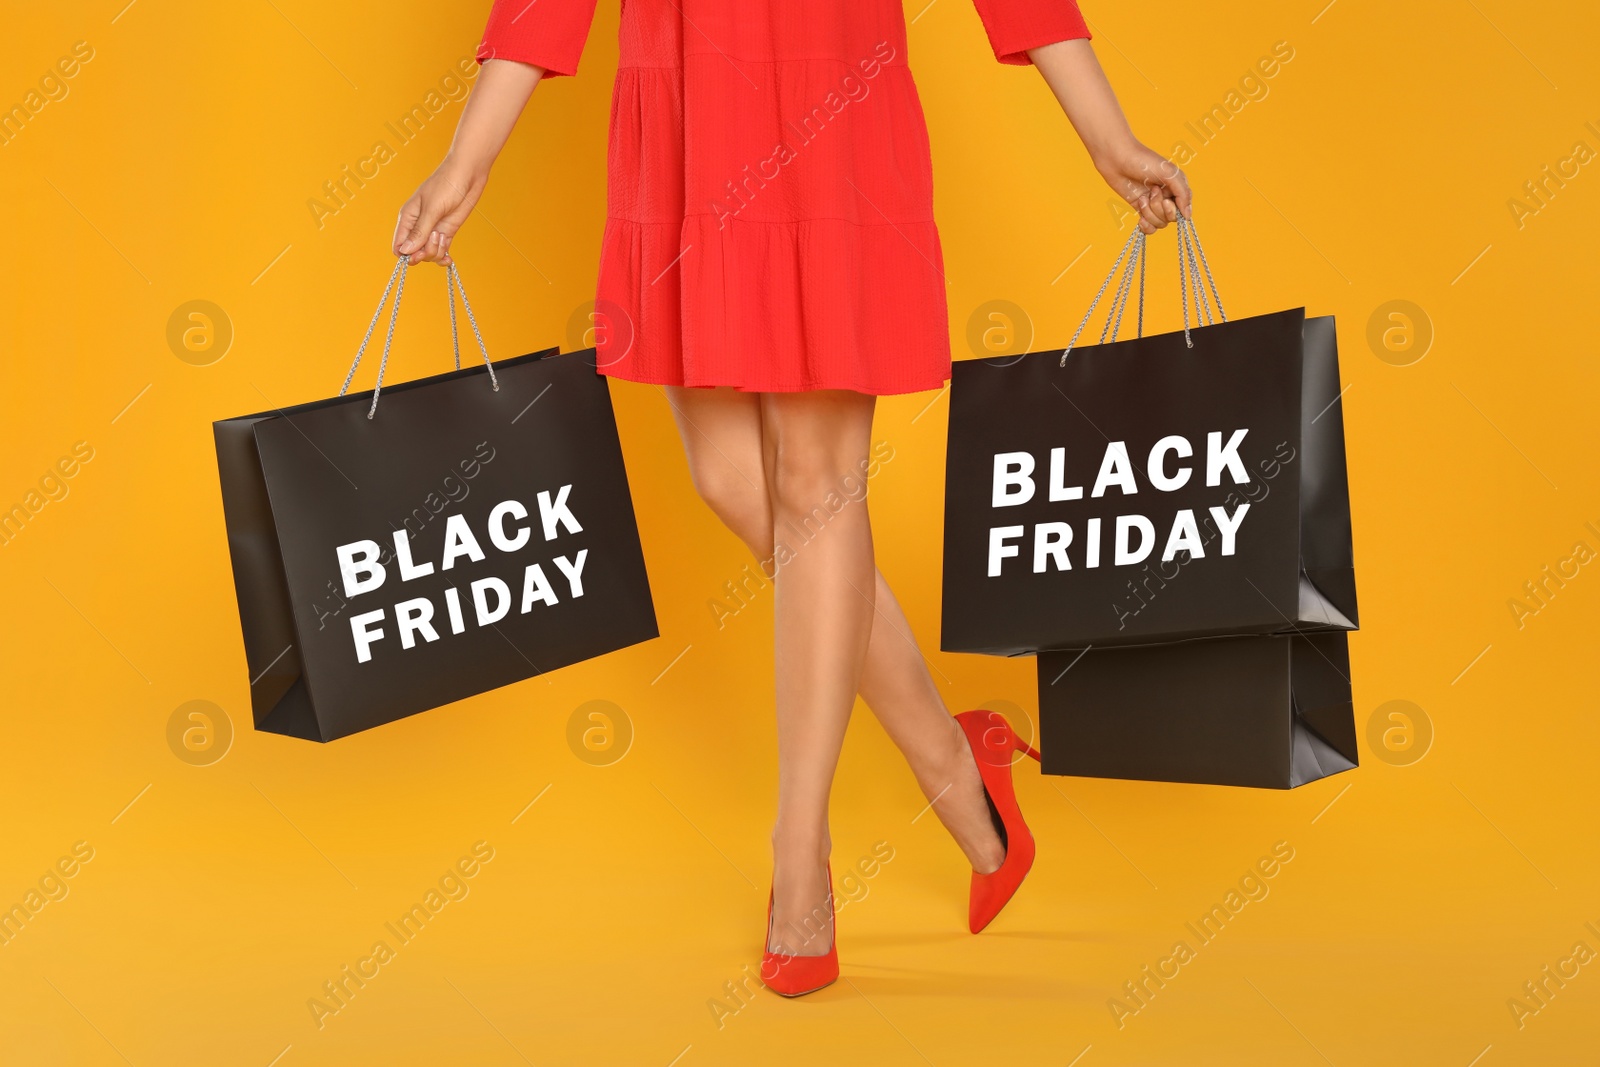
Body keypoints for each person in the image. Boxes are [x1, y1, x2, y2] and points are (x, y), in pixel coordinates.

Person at [395, 0, 1190, 997]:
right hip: (683, 106)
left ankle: (800, 856)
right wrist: (469, 155)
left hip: (828, 99)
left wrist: (1104, 133)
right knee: (730, 480)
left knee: (815, 485)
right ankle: (956, 755)